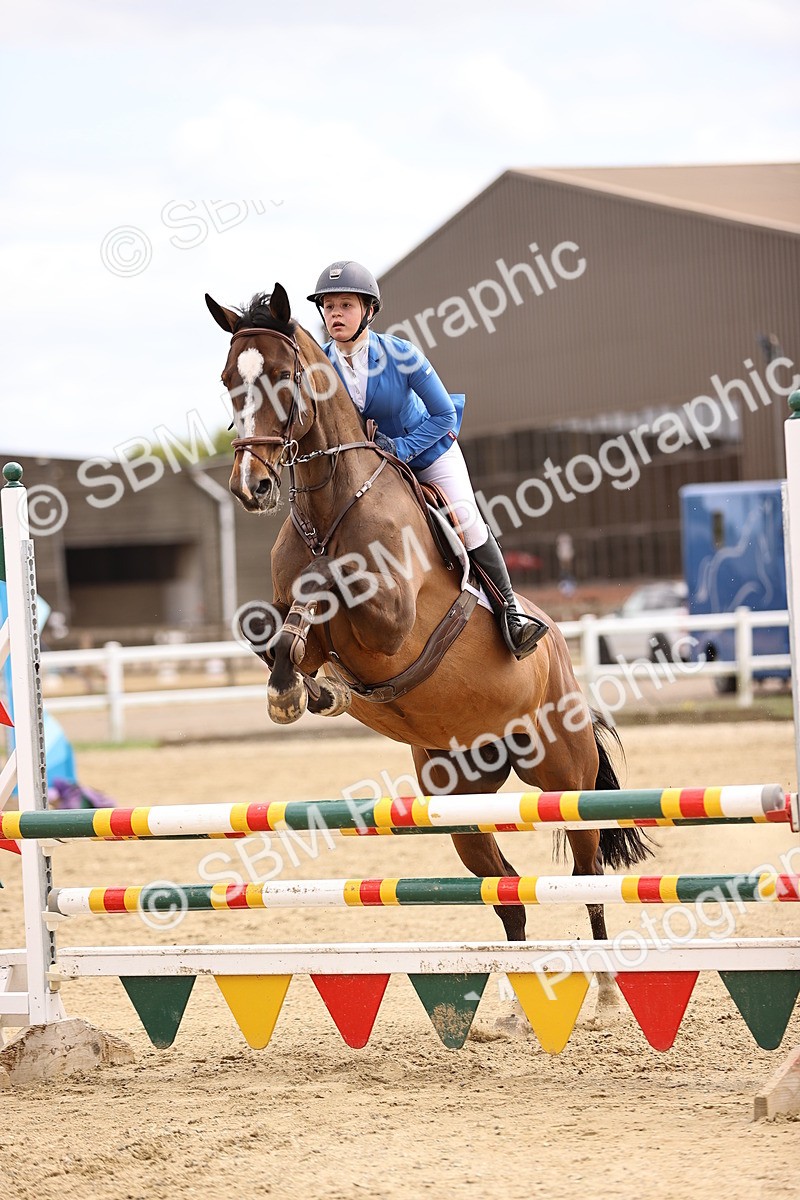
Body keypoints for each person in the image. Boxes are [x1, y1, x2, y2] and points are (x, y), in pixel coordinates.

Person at [307, 260, 548, 659]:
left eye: (346, 305)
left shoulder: (402, 354)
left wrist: (399, 450)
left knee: (466, 518)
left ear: (368, 310)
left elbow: (444, 416)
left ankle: (512, 612)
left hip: (426, 451)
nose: (336, 314)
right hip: (367, 469)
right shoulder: (321, 367)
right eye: (329, 306)